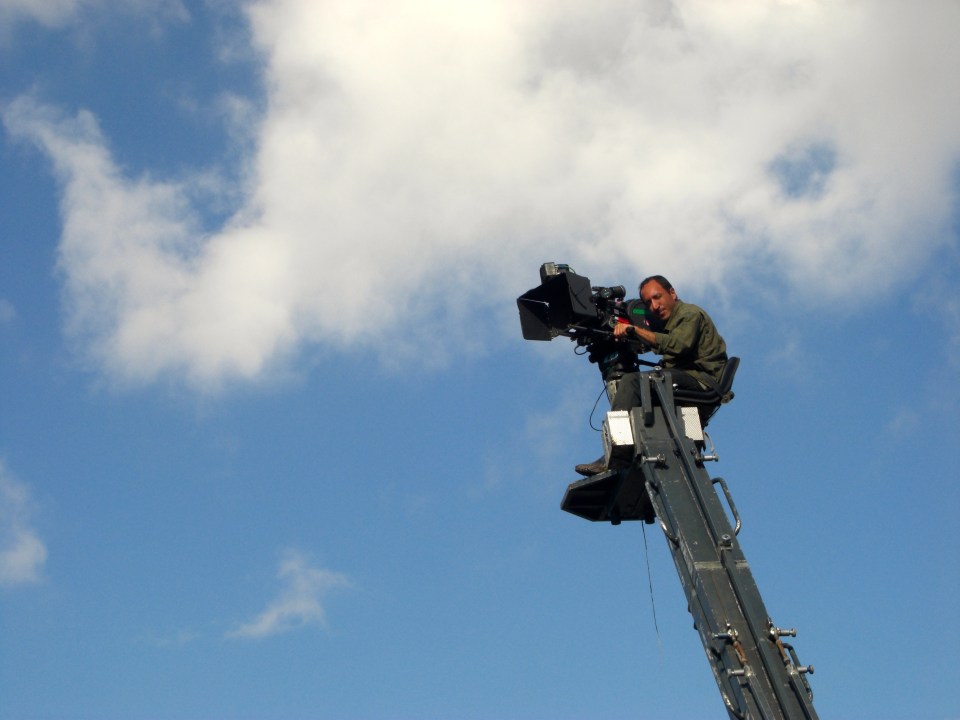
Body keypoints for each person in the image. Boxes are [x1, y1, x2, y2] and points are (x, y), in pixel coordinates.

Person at [575, 275, 729, 476]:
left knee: (632, 383)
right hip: (691, 380)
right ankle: (687, 448)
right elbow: (655, 343)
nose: (655, 306)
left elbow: (677, 345)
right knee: (646, 390)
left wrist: (634, 330)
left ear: (672, 293)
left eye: (658, 297)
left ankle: (617, 452)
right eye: (648, 303)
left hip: (701, 381)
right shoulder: (668, 322)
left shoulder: (689, 314)